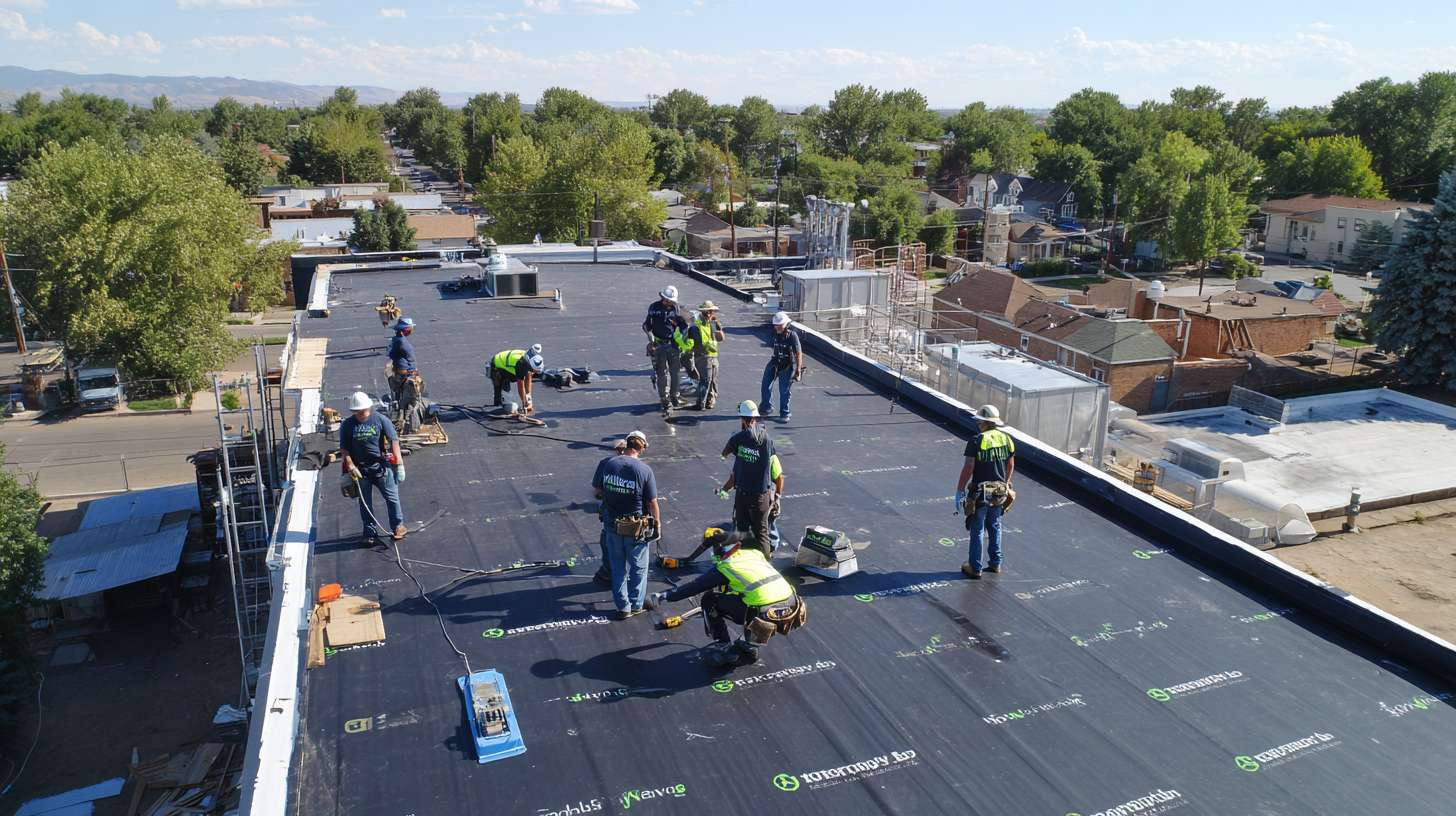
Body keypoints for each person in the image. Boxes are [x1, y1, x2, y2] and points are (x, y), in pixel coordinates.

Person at [648, 530, 803, 668]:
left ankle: (723, 643)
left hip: (763, 612)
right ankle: (749, 644)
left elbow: (694, 587)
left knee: (710, 600)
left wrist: (663, 596)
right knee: (748, 599)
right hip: (793, 605)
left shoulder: (726, 567)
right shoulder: (754, 554)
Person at [591, 430, 660, 619]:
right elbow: (652, 502)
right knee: (638, 568)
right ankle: (636, 604)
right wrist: (657, 526)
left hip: (612, 525)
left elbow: (598, 490)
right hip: (635, 528)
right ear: (642, 447)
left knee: (618, 566)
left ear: (626, 445)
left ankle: (623, 607)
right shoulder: (644, 470)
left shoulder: (609, 463)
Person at [953, 404, 1016, 579]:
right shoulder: (1007, 439)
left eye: (979, 421)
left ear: (983, 422)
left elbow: (969, 467)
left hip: (981, 491)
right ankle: (996, 564)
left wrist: (959, 490)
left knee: (977, 527)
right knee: (995, 526)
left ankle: (975, 567)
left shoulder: (977, 440)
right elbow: (1010, 464)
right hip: (999, 491)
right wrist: (1007, 482)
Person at [339, 391, 407, 543]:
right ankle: (370, 532)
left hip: (381, 467)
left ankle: (398, 526)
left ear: (369, 407)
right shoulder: (347, 425)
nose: (360, 414)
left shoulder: (381, 420)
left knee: (392, 498)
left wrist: (399, 464)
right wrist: (349, 465)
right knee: (365, 502)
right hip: (361, 470)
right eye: (357, 411)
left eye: (362, 411)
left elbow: (394, 441)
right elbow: (344, 449)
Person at [719, 400, 777, 558]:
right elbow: (774, 466)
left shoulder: (740, 438)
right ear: (756, 418)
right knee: (762, 533)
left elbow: (725, 452)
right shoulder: (767, 439)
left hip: (743, 494)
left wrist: (725, 456)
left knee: (742, 531)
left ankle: (747, 562)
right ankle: (765, 562)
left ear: (743, 419)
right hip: (761, 496)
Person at [642, 286, 689, 417]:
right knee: (661, 374)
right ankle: (664, 399)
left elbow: (684, 326)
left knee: (675, 373)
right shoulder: (654, 308)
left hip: (673, 345)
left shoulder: (677, 309)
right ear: (663, 298)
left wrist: (683, 340)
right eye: (668, 300)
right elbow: (647, 325)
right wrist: (650, 338)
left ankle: (674, 396)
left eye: (672, 301)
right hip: (658, 345)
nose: (670, 303)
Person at [590, 438, 630, 585]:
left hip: (612, 512)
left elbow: (597, 491)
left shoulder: (607, 463)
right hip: (634, 514)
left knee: (608, 540)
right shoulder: (641, 467)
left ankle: (609, 571)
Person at [759, 311, 802, 421]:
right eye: (776, 325)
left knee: (784, 390)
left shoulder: (792, 335)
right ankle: (766, 407)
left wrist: (798, 370)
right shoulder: (774, 333)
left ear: (786, 324)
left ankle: (785, 413)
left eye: (779, 325)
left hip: (787, 365)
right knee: (765, 385)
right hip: (775, 362)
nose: (777, 327)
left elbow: (798, 353)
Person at [687, 301, 725, 411]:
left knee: (713, 380)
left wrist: (718, 328)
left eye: (710, 311)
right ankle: (700, 403)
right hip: (703, 356)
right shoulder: (697, 326)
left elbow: (721, 339)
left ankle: (710, 401)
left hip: (713, 355)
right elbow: (695, 342)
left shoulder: (713, 324)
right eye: (706, 312)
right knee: (705, 380)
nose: (709, 314)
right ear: (702, 312)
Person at [490, 344, 544, 413]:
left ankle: (504, 398)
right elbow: (521, 387)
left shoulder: (530, 360)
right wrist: (524, 404)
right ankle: (498, 403)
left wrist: (529, 400)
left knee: (525, 375)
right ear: (530, 366)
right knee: (509, 408)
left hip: (508, 366)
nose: (535, 372)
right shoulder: (521, 364)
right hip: (497, 367)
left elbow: (528, 380)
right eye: (534, 371)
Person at [387, 317, 417, 402]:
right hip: (405, 370)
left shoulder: (396, 339)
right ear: (406, 330)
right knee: (408, 392)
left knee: (399, 391)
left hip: (399, 368)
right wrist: (413, 371)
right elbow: (410, 358)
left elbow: (391, 353)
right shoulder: (402, 342)